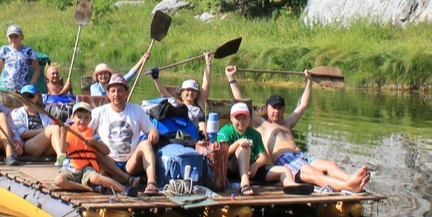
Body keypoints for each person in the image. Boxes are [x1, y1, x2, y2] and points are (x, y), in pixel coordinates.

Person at [224, 65, 371, 192]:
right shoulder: (262, 124)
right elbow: (242, 103)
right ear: (267, 109)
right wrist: (231, 79)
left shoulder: (287, 123)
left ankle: (350, 179)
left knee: (330, 165)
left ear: (284, 110)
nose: (276, 111)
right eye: (273, 108)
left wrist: (309, 81)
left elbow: (303, 105)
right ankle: (349, 186)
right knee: (315, 174)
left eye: (280, 108)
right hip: (285, 159)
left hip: (302, 156)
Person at [91, 75, 159, 194]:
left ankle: (152, 183)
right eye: (113, 91)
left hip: (130, 163)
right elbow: (82, 130)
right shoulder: (99, 112)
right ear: (108, 94)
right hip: (109, 161)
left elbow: (151, 130)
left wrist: (154, 132)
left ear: (126, 93)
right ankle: (125, 178)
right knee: (92, 146)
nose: (116, 94)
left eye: (120, 91)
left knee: (146, 144)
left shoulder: (136, 109)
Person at [52, 102, 124, 195]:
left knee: (96, 178)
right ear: (72, 117)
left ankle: (124, 189)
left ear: (90, 119)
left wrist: (94, 142)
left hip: (87, 168)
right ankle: (89, 189)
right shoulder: (68, 131)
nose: (82, 120)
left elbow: (106, 151)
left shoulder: (92, 134)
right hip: (70, 168)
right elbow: (62, 150)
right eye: (79, 117)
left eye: (86, 117)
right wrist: (64, 134)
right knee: (59, 180)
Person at [150, 52, 214, 134]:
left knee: (202, 124)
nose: (190, 92)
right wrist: (156, 78)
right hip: (183, 134)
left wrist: (208, 63)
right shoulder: (177, 104)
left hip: (199, 135)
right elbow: (164, 92)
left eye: (193, 90)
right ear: (182, 92)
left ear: (197, 93)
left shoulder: (200, 103)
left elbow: (206, 84)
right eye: (187, 90)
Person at [216, 102, 268, 195]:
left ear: (249, 118)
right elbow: (222, 155)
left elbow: (264, 157)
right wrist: (237, 143)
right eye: (237, 118)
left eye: (244, 118)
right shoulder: (225, 131)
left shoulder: (255, 134)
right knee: (244, 147)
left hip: (250, 169)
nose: (241, 122)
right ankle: (244, 184)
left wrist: (256, 165)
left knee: (283, 171)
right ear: (231, 118)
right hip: (231, 168)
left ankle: (291, 187)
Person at [10, 85, 57, 157]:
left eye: (30, 96)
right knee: (55, 128)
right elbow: (23, 134)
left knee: (60, 131)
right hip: (28, 145)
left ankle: (62, 158)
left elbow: (51, 131)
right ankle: (61, 156)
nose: (27, 99)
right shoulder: (16, 113)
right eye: (24, 96)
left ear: (36, 97)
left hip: (44, 146)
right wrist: (45, 130)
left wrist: (49, 130)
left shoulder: (44, 115)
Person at [0, 24, 41, 92]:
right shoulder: (4, 50)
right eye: (10, 37)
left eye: (16, 36)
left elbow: (37, 70)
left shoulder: (29, 51)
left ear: (22, 37)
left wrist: (30, 86)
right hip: (6, 87)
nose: (13, 39)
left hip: (23, 88)